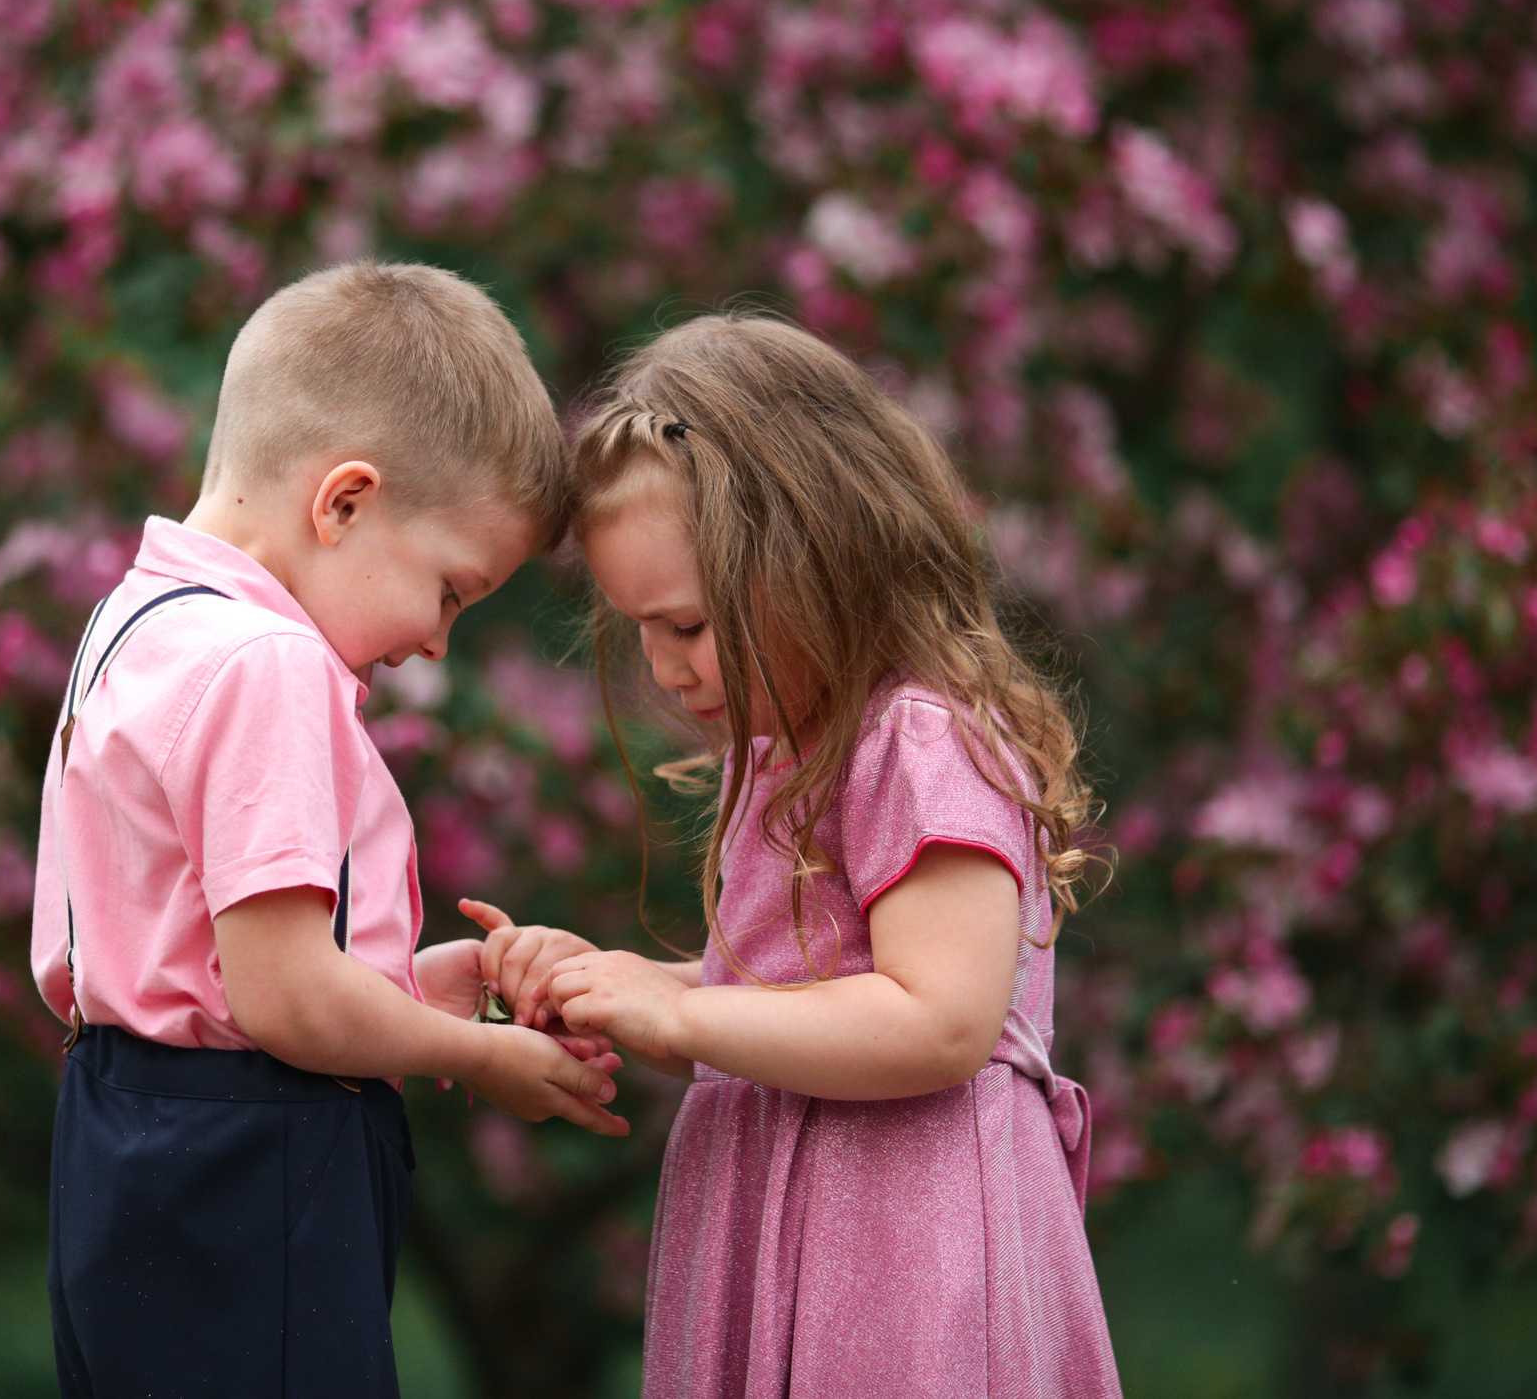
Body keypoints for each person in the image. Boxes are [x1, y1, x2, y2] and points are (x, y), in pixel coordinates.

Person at [478, 312, 1122, 1398]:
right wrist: (624, 988)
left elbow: (938, 1018)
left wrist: (682, 1014)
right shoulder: (784, 752)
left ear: (813, 559)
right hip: (791, 1240)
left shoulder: (920, 739)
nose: (663, 668)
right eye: (640, 629)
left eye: (687, 626)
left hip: (903, 1258)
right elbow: (793, 1000)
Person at [30, 261, 627, 1399]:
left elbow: (208, 962)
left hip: (121, 1145)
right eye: (450, 591)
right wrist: (483, 1055)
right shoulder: (269, 662)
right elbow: (285, 1003)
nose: (438, 642)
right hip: (250, 1163)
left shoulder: (133, 619)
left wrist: (420, 986)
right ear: (343, 503)